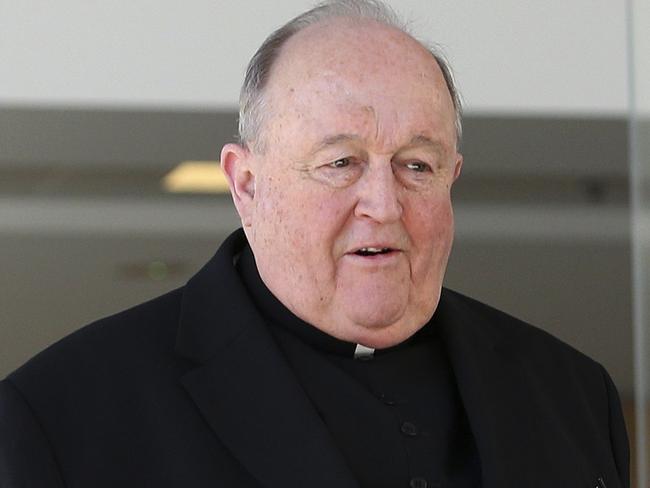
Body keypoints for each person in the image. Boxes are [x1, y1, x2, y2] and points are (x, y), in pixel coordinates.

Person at [0, 1, 629, 487]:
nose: (384, 206)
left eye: (416, 166)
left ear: (451, 180)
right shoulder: (65, 412)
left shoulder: (571, 394)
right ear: (246, 184)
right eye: (340, 163)